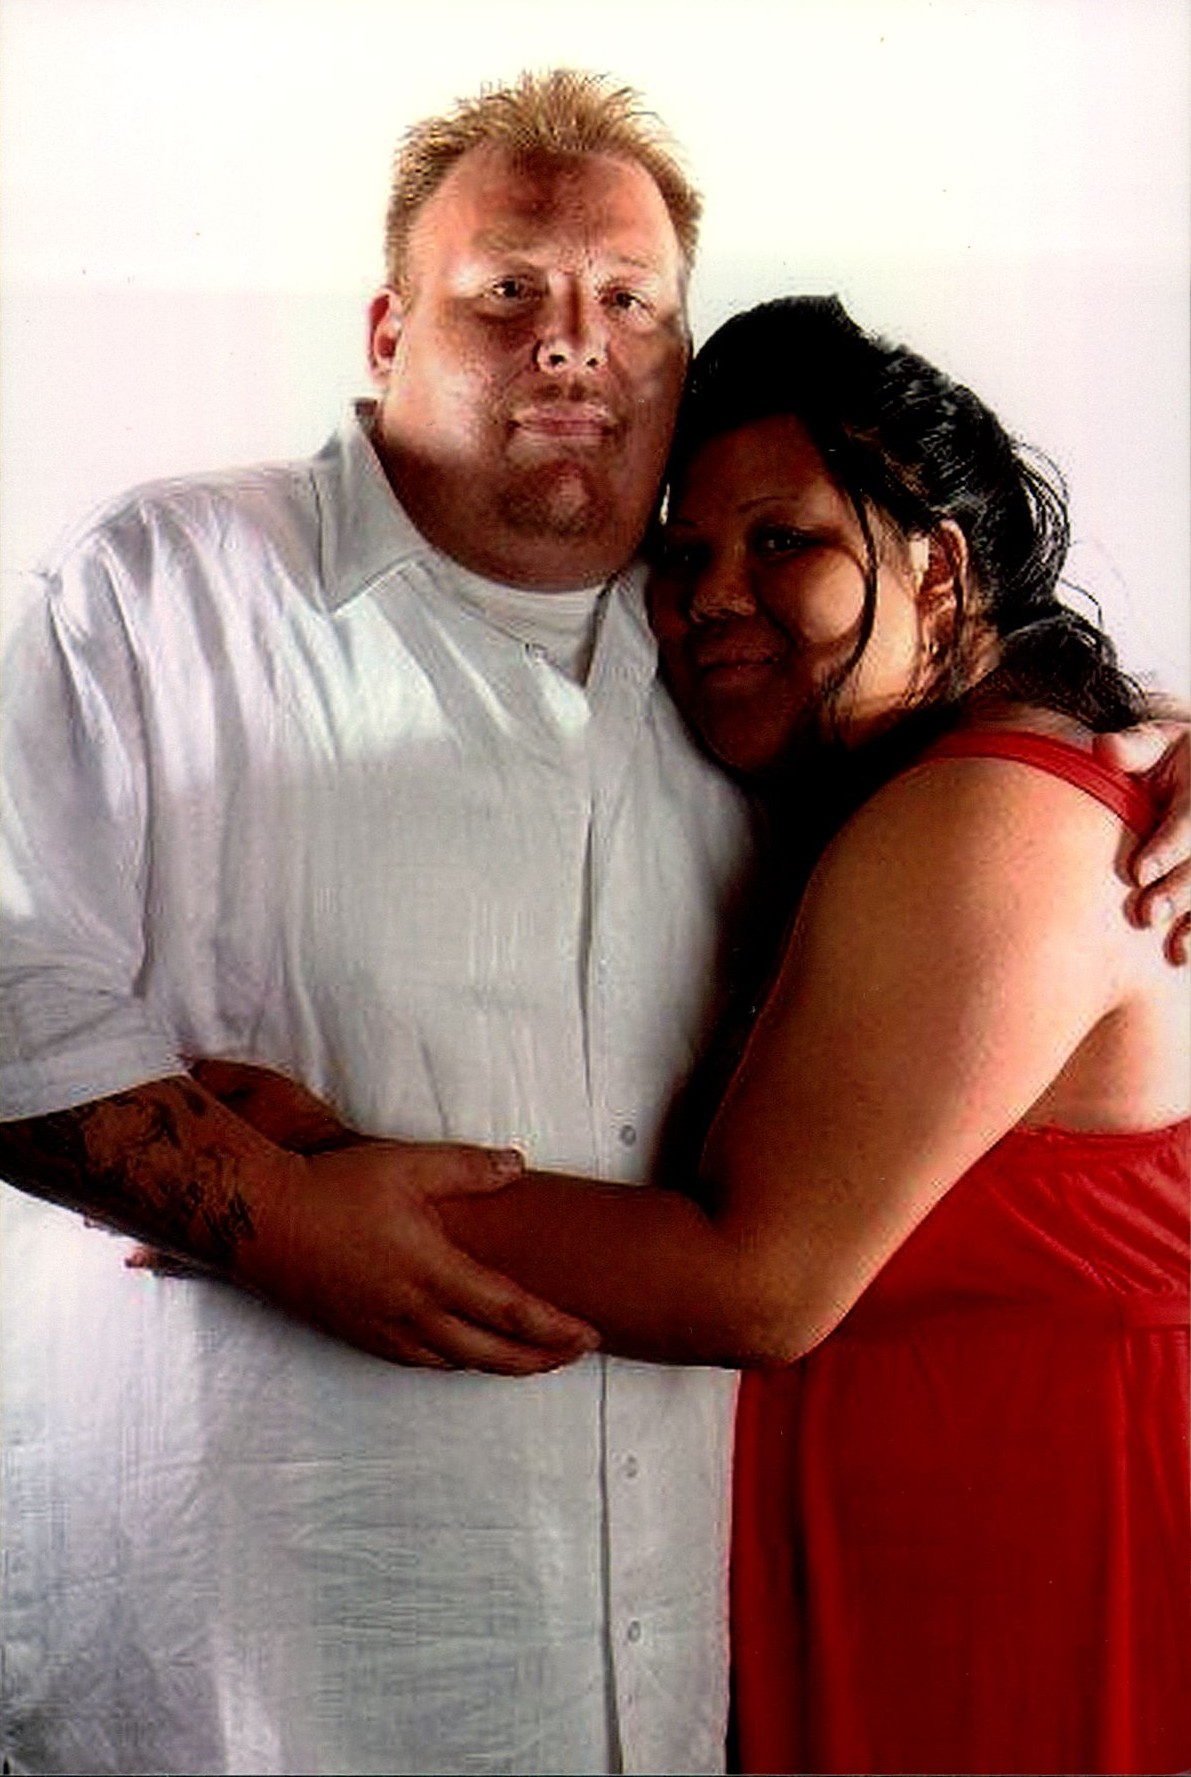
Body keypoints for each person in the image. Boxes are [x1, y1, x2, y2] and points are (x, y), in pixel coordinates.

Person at [0, 72, 1185, 1777]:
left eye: (628, 300)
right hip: (265, 1668)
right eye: (508, 290)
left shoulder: (845, 740)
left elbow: (764, 1271)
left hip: (895, 1610)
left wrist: (315, 1168)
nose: (573, 339)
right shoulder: (171, 586)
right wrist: (271, 1213)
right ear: (388, 330)